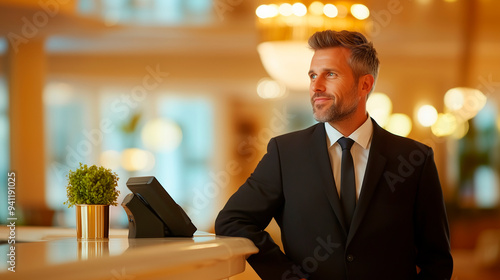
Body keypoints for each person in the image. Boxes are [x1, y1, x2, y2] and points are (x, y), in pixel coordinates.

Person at [215, 30, 453, 280]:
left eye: (330, 74)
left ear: (365, 84)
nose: (316, 86)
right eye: (312, 75)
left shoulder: (415, 158)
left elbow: (437, 259)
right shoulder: (285, 153)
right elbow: (233, 221)